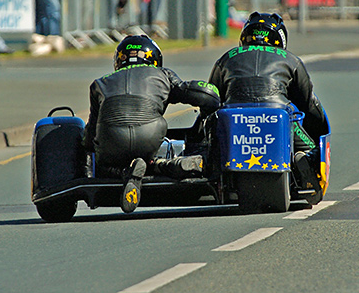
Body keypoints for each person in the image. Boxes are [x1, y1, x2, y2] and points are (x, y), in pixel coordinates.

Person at [83, 34, 220, 213]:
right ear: (155, 59)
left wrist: (84, 148)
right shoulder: (164, 74)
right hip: (149, 136)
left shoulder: (99, 83)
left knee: (104, 167)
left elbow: (91, 133)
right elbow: (203, 94)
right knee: (152, 148)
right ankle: (164, 165)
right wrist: (212, 103)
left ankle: (126, 172)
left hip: (112, 141)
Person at [208, 12, 329, 204]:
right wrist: (320, 127)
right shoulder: (291, 59)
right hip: (279, 113)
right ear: (279, 38)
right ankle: (303, 157)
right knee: (310, 147)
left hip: (232, 117)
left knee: (210, 138)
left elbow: (213, 97)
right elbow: (307, 102)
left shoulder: (227, 57)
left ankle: (214, 168)